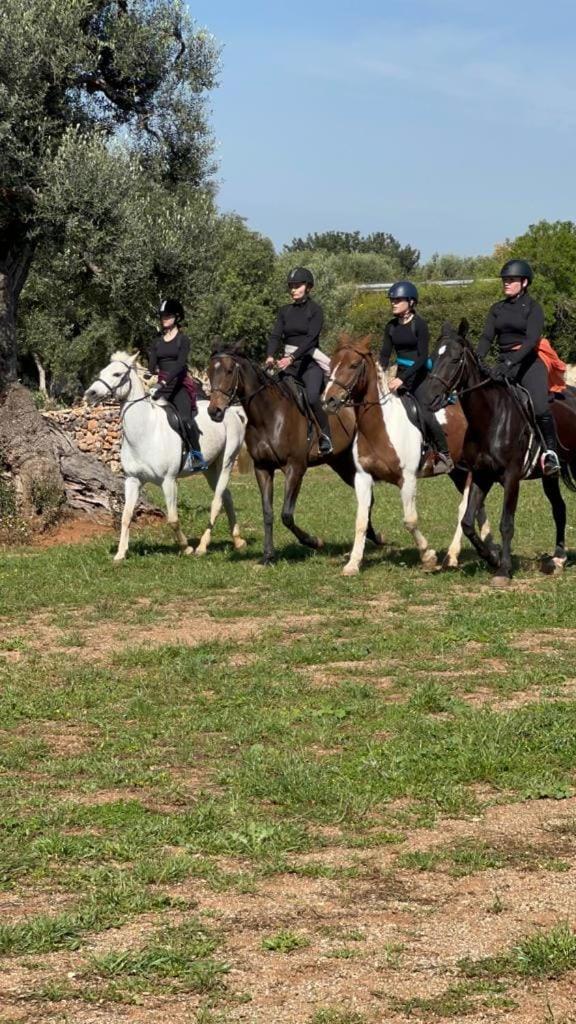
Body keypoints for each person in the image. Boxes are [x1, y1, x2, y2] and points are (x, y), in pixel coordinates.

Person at [477, 259, 560, 477]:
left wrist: (510, 363)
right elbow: (487, 336)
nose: (506, 283)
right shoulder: (497, 308)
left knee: (540, 406)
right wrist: (479, 358)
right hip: (504, 362)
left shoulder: (533, 307)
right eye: (505, 280)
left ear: (524, 282)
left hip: (528, 362)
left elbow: (532, 340)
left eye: (511, 280)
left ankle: (550, 453)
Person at [379, 280, 453, 474]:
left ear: (411, 302)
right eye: (392, 300)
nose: (393, 303)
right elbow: (385, 355)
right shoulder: (391, 326)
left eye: (398, 300)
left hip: (419, 375)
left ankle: (444, 454)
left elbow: (421, 358)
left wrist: (402, 380)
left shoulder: (419, 324)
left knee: (424, 411)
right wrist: (380, 374)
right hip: (401, 373)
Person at [265, 267, 333, 455]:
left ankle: (325, 436)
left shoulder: (315, 310)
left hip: (309, 363)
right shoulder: (284, 311)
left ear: (308, 287)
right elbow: (275, 335)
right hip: (288, 364)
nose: (293, 289)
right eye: (291, 286)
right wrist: (270, 355)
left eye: (297, 286)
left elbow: (311, 338)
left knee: (311, 397)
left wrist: (292, 358)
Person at [148, 299, 207, 471]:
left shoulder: (183, 340)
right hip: (161, 387)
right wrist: (149, 370)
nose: (164, 319)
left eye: (168, 316)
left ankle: (197, 456)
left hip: (179, 385)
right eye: (162, 316)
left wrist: (165, 381)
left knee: (186, 420)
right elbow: (153, 365)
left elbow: (180, 364)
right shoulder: (157, 341)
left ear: (177, 317)